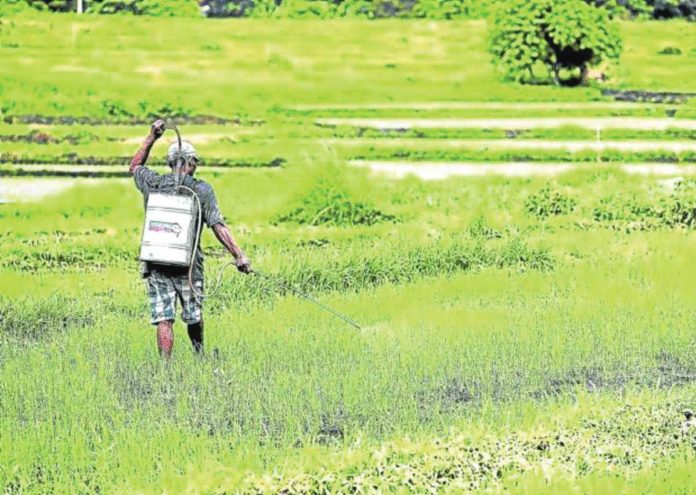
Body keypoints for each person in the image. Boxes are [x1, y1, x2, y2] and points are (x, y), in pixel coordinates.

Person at [129, 119, 251, 358]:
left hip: (156, 262)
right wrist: (239, 256)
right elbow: (218, 225)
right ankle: (199, 355)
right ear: (192, 164)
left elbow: (134, 166)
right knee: (193, 314)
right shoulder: (202, 190)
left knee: (164, 318)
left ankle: (165, 368)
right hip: (189, 266)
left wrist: (152, 136)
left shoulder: (153, 183)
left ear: (170, 163)